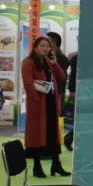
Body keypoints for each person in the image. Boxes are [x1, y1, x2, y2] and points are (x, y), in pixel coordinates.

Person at [22, 36, 69, 178]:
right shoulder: (28, 62)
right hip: (38, 104)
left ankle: (56, 164)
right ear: (35, 47)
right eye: (42, 45)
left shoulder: (48, 62)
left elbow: (62, 78)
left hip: (51, 102)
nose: (45, 48)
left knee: (53, 134)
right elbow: (28, 83)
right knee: (37, 135)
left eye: (47, 46)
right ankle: (37, 167)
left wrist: (55, 63)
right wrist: (36, 100)